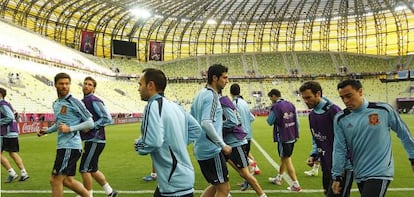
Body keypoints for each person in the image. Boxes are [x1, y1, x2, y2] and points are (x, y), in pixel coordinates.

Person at [332, 79, 414, 197]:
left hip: (380, 171)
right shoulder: (340, 118)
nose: (345, 101)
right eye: (342, 97)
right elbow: (339, 148)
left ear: (360, 92)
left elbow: (404, 134)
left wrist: (413, 157)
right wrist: (337, 176)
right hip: (359, 172)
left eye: (349, 96)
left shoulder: (383, 110)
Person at [134, 68, 201, 197]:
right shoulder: (175, 106)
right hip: (182, 178)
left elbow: (153, 142)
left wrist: (138, 145)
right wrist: (177, 142)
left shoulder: (152, 105)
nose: (139, 89)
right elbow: (196, 129)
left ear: (151, 85)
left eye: (140, 84)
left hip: (173, 183)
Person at [37, 72, 94, 197]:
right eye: (61, 84)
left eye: (67, 84)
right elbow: (59, 124)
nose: (64, 86)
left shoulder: (74, 101)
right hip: (64, 146)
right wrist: (46, 131)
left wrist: (70, 129)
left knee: (55, 179)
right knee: (67, 181)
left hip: (70, 146)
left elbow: (90, 122)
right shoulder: (56, 103)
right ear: (55, 85)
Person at [299, 81, 353, 196]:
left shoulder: (333, 111)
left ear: (318, 94)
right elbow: (316, 137)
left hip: (341, 166)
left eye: (308, 97)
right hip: (326, 163)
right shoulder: (312, 115)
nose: (306, 101)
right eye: (304, 98)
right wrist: (314, 154)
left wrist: (344, 165)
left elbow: (348, 138)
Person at [190, 64, 232, 197]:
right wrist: (222, 145)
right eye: (224, 78)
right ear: (215, 78)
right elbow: (206, 123)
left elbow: (191, 120)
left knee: (216, 185)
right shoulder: (212, 96)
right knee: (224, 188)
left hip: (201, 148)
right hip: (211, 150)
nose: (226, 81)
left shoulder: (200, 94)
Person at [219, 93, 267, 197]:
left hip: (236, 143)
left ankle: (262, 195)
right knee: (220, 173)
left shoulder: (222, 102)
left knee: (244, 174)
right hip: (227, 144)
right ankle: (226, 193)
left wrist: (217, 126)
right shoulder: (229, 102)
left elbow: (233, 121)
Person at [78, 76, 117, 197]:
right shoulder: (83, 101)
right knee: (92, 169)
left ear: (94, 89)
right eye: (85, 83)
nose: (86, 86)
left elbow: (108, 118)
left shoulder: (94, 100)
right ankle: (109, 192)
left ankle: (88, 194)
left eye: (90, 84)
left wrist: (92, 126)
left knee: (84, 169)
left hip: (95, 139)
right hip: (93, 139)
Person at [266, 89, 302, 192]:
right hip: (292, 135)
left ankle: (296, 184)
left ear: (273, 96)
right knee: (284, 158)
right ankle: (279, 177)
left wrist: (270, 111)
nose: (270, 100)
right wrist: (296, 135)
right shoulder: (290, 104)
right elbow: (297, 121)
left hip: (283, 136)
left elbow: (270, 121)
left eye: (270, 97)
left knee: (287, 159)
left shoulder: (275, 106)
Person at [229, 83, 260, 191]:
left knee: (241, 162)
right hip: (248, 135)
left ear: (230, 92)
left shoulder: (233, 104)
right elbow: (252, 118)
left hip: (240, 137)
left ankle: (251, 172)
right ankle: (247, 182)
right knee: (243, 162)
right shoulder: (244, 103)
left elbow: (234, 120)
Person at [0, 87, 29, 183]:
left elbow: (10, 117)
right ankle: (23, 173)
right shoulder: (6, 103)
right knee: (12, 153)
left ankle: (12, 173)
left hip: (6, 132)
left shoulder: (1, 104)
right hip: (12, 131)